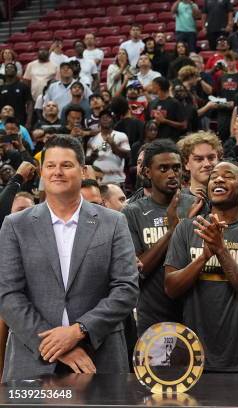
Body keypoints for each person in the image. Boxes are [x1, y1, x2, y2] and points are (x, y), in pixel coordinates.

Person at [0, 135, 139, 381]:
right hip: (32, 358)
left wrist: (78, 331)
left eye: (66, 165)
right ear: (42, 171)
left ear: (83, 170)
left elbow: (126, 288)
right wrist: (53, 344)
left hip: (100, 356)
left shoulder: (114, 222)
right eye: (51, 166)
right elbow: (8, 294)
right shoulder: (15, 225)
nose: (57, 172)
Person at [165, 161, 238, 372]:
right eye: (214, 175)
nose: (218, 179)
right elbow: (171, 288)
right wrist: (203, 257)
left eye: (228, 176)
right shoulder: (187, 229)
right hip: (192, 355)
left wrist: (221, 250)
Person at [122, 139, 196, 335]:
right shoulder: (132, 212)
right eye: (163, 169)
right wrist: (173, 231)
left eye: (176, 168)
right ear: (147, 172)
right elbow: (138, 270)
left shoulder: (197, 206)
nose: (172, 174)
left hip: (195, 313)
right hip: (153, 316)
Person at [86, 110, 131, 185]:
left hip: (116, 181)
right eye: (102, 117)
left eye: (108, 117)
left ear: (113, 120)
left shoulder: (121, 136)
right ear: (99, 121)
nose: (105, 119)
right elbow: (87, 162)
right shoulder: (92, 140)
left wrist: (113, 145)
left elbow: (127, 155)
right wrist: (93, 156)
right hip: (98, 182)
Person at [177, 131, 222, 198]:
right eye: (199, 159)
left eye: (211, 158)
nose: (207, 164)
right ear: (186, 164)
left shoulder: (230, 198)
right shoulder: (177, 201)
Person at [149, 77, 187, 142]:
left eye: (152, 85)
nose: (151, 87)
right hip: (154, 141)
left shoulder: (175, 103)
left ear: (158, 86)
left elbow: (183, 125)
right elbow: (147, 122)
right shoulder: (152, 103)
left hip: (170, 141)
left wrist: (165, 121)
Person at [0, 63, 33, 129]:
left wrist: (28, 122)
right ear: (5, 71)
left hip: (20, 122)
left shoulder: (23, 87)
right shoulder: (1, 88)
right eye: (7, 68)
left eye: (11, 67)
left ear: (15, 71)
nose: (9, 69)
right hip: (3, 123)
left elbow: (30, 104)